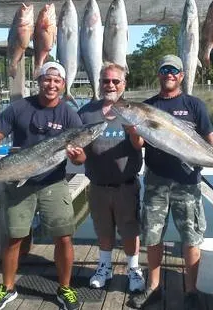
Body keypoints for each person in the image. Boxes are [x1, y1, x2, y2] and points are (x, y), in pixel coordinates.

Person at [0, 62, 82, 310]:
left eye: (57, 81)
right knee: (14, 237)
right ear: (39, 81)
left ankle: (65, 288)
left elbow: (80, 157)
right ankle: (7, 288)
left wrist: (78, 157)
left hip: (53, 183)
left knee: (64, 238)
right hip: (18, 182)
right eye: (47, 79)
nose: (52, 84)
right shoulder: (19, 108)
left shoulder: (69, 114)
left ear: (63, 85)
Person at [129, 55, 213, 309]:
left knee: (191, 237)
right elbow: (138, 144)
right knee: (152, 235)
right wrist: (133, 129)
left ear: (182, 75)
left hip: (188, 182)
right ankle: (153, 287)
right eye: (164, 69)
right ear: (159, 74)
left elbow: (207, 135)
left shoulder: (195, 105)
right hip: (156, 182)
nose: (169, 74)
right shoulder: (147, 106)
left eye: (174, 70)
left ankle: (191, 290)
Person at [68, 62, 145, 293]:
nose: (110, 85)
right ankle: (104, 267)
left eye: (115, 81)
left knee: (130, 230)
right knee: (103, 229)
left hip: (126, 185)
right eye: (105, 81)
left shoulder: (133, 111)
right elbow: (78, 158)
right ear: (99, 83)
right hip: (98, 185)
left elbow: (139, 144)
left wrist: (133, 132)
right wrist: (77, 156)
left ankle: (133, 268)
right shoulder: (86, 112)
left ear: (124, 84)